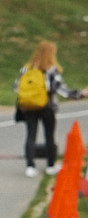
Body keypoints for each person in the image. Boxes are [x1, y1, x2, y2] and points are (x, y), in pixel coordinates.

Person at [17, 40, 71, 176]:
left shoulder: (26, 69)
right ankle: (50, 166)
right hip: (47, 106)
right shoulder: (51, 70)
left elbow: (16, 87)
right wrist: (80, 94)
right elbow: (61, 90)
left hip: (28, 106)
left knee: (30, 135)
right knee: (49, 135)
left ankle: (30, 166)